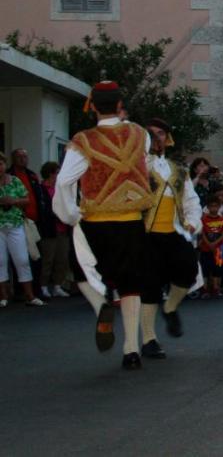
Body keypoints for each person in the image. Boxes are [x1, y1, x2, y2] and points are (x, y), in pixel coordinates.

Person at [53, 81, 155, 368]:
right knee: (130, 284)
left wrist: (71, 214)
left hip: (96, 222)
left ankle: (101, 307)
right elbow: (142, 156)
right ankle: (131, 349)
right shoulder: (140, 134)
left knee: (82, 272)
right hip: (132, 221)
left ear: (93, 106)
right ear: (120, 104)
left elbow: (63, 181)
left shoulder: (83, 141)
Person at [138, 117, 203, 360]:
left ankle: (170, 308)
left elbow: (191, 201)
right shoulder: (137, 166)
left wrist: (193, 222)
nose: (156, 138)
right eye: (151, 134)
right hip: (146, 234)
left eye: (160, 134)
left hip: (175, 231)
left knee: (188, 271)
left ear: (168, 138)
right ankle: (148, 339)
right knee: (150, 285)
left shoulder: (179, 170)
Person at [0, 152, 42, 307]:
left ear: (5, 165)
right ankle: (3, 296)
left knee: (22, 259)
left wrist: (13, 201)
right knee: (0, 261)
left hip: (15, 224)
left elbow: (27, 200)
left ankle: (29, 295)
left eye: (1, 163)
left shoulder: (15, 181)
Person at [38, 161, 72, 298]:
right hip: (49, 229)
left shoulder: (61, 188)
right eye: (58, 172)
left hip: (63, 228)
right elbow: (43, 209)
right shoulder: (41, 189)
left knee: (62, 258)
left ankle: (58, 286)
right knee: (48, 259)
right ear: (51, 173)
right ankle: (43, 286)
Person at [198, 193, 223, 298]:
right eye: (211, 206)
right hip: (205, 248)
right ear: (207, 207)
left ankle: (216, 287)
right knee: (205, 269)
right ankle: (205, 289)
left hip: (218, 250)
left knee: (217, 269)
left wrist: (215, 243)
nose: (213, 208)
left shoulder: (222, 220)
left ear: (219, 206)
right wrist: (208, 243)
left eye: (216, 206)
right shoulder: (204, 220)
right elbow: (202, 233)